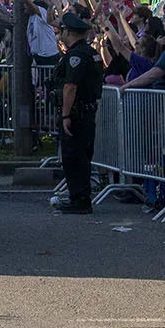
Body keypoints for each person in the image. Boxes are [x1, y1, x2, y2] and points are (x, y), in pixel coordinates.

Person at [52, 12, 103, 213]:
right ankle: (78, 197)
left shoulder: (77, 56)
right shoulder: (90, 53)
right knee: (82, 156)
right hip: (86, 112)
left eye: (63, 30)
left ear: (69, 32)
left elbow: (70, 86)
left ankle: (80, 200)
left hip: (76, 113)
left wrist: (65, 115)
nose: (61, 34)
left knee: (74, 157)